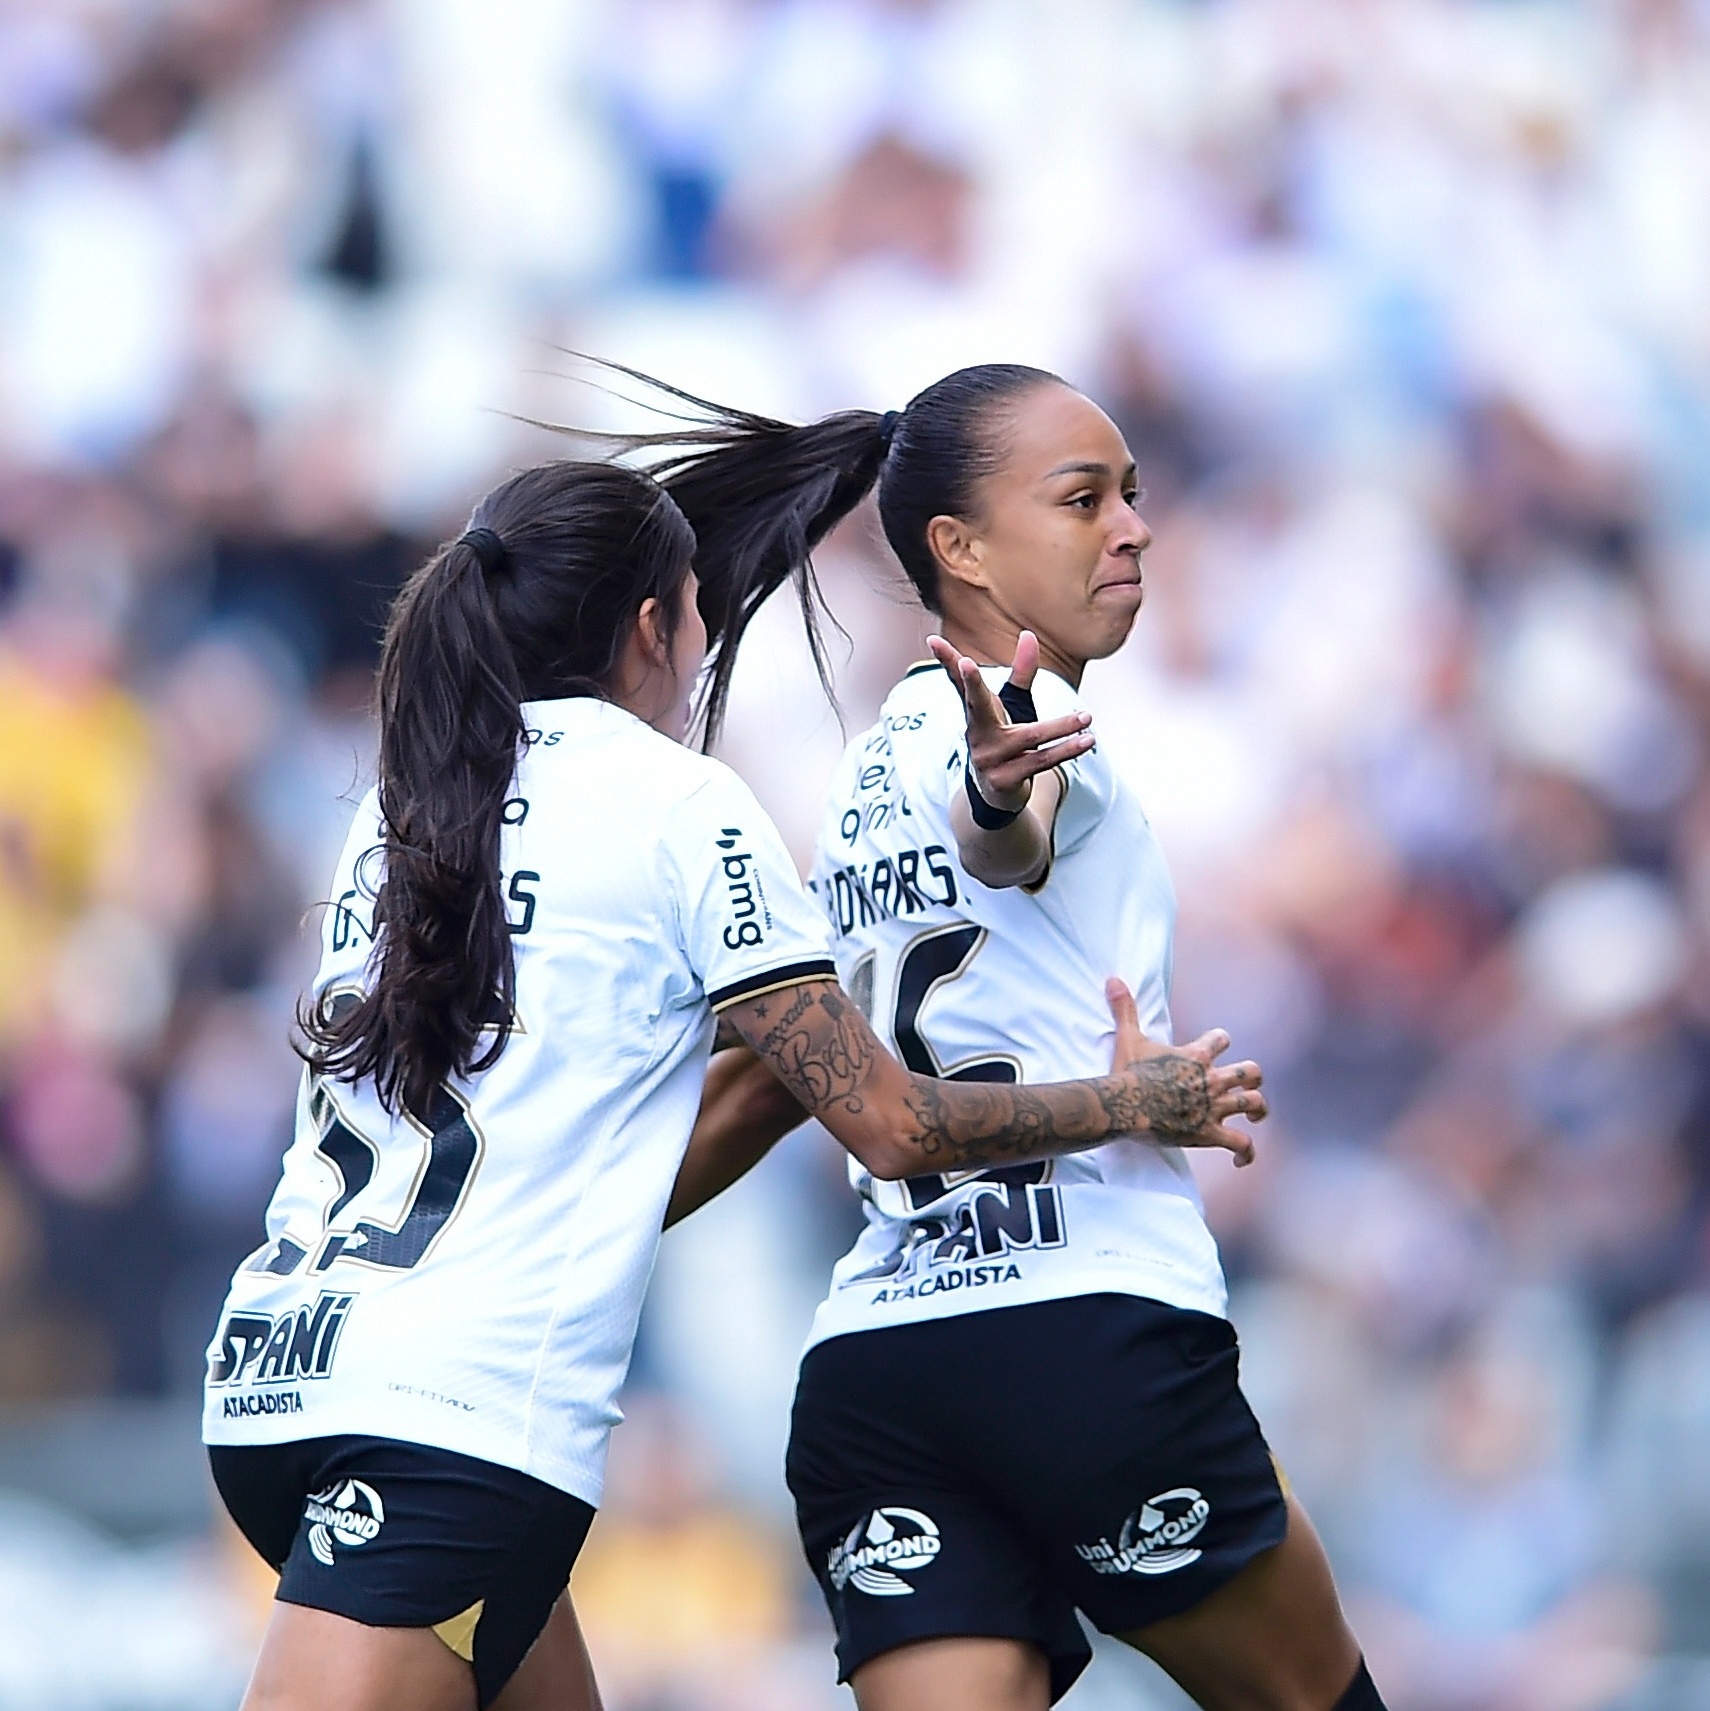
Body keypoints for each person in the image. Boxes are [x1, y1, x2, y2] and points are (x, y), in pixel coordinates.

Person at [202, 453, 1265, 1711]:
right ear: (651, 626)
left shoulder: (406, 804)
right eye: (699, 614)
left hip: (277, 1380)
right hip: (454, 1434)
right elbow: (891, 1121)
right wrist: (1133, 1101)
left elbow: (656, 1093)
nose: (707, 648)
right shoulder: (677, 805)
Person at [646, 365, 1384, 1711]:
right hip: (1083, 1339)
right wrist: (1004, 790)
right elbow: (1009, 828)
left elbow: (783, 1067)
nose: (1133, 527)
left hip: (882, 1370)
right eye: (1082, 497)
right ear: (958, 548)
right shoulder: (1016, 733)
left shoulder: (863, 779)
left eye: (1134, 495)